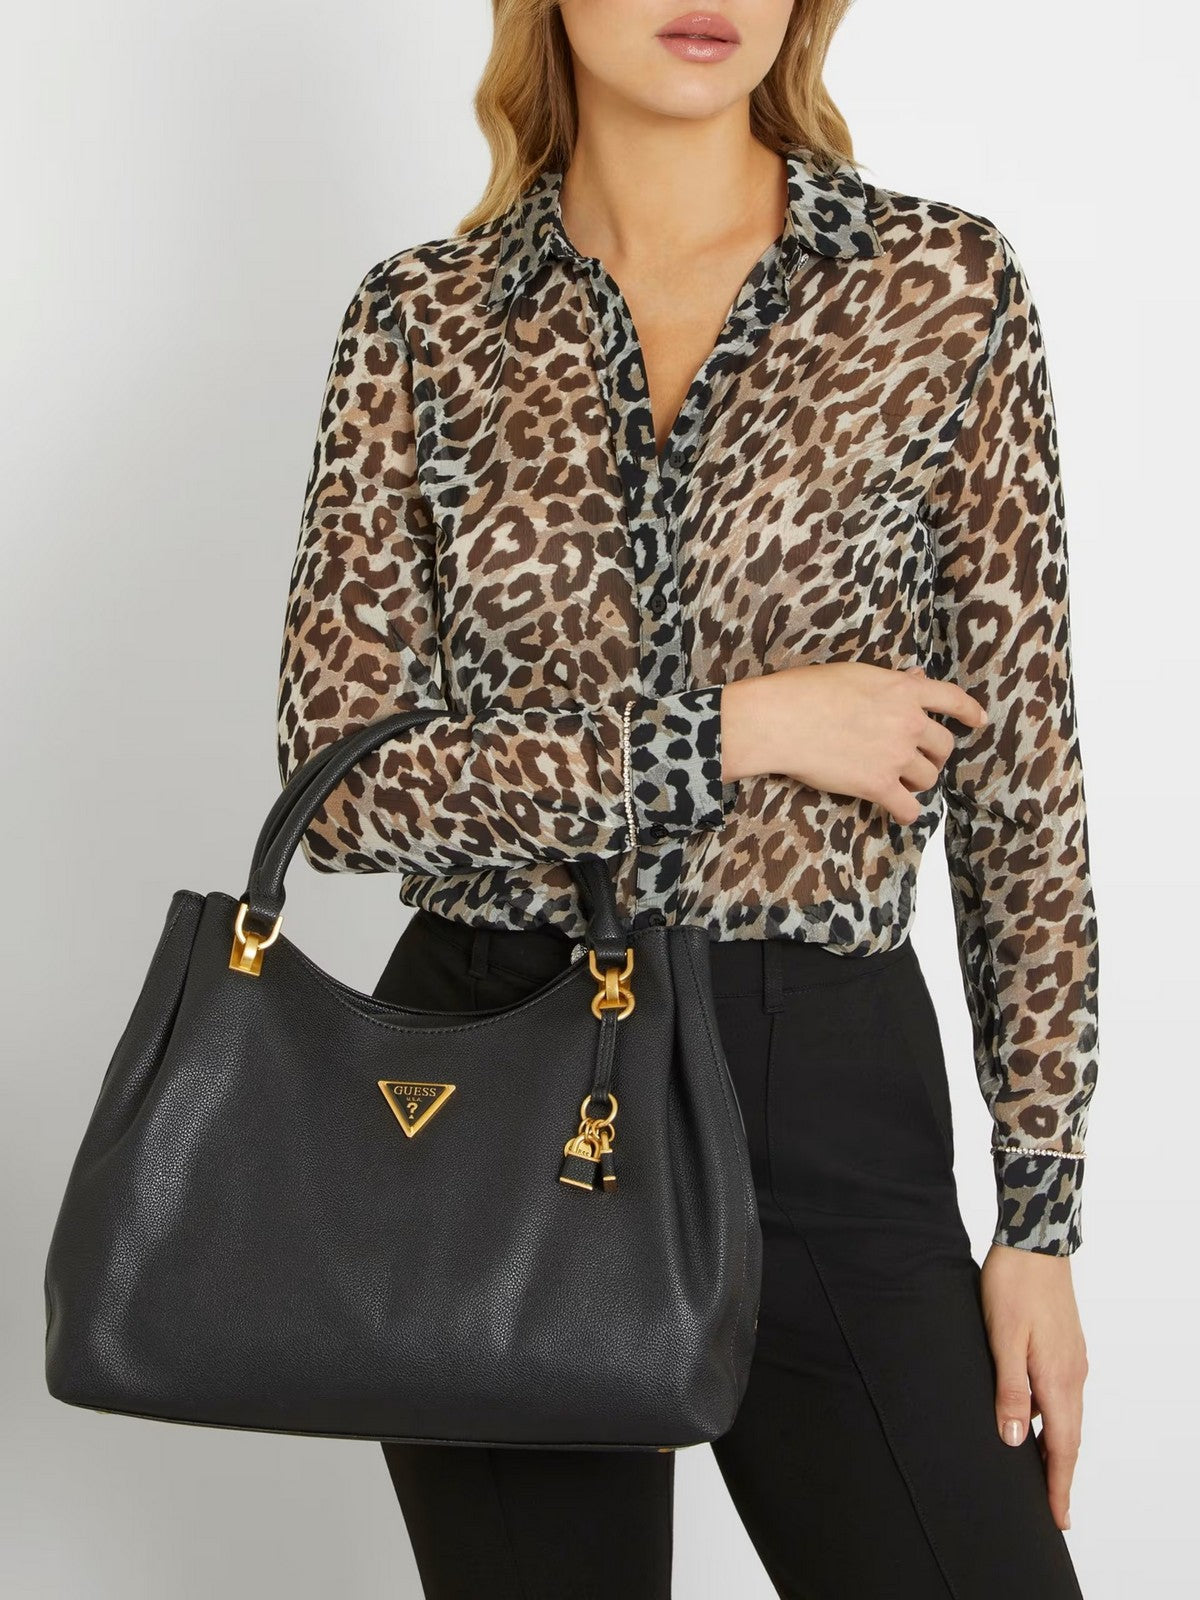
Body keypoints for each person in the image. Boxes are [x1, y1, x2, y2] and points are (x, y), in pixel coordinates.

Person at [275, 2, 1098, 1595]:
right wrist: (738, 731)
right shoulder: (422, 321)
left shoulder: (937, 289)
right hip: (483, 1078)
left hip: (818, 1071)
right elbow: (348, 789)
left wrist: (1040, 1219)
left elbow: (1025, 787)